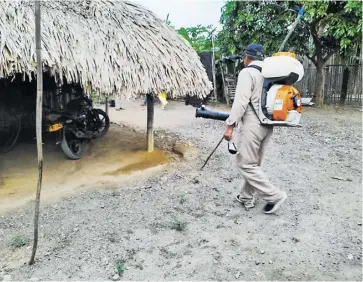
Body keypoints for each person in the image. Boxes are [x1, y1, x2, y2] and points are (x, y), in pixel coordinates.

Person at [223, 43, 287, 214]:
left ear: (246, 57)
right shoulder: (270, 74)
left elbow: (241, 102)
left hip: (253, 124)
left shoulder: (247, 72)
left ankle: (274, 196)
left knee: (245, 164)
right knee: (254, 164)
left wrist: (230, 125)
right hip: (268, 124)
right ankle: (246, 197)